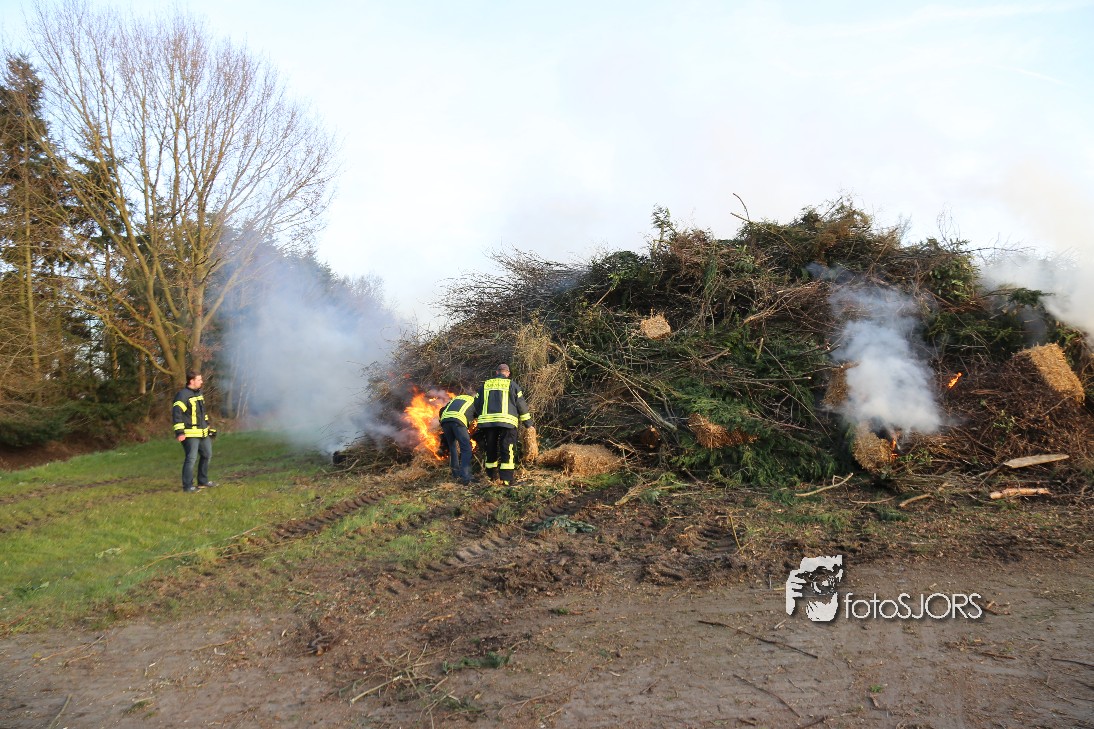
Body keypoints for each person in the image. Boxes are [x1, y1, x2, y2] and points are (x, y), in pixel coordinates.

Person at [473, 363, 534, 486]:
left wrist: (481, 416)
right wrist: (528, 424)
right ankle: (506, 479)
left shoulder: (485, 385)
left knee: (490, 449)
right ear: (508, 373)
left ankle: (491, 477)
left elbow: (476, 403)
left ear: (497, 372)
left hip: (488, 423)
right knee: (507, 448)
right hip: (507, 422)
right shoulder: (512, 385)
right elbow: (521, 405)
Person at [172, 371, 216, 493]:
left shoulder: (199, 393)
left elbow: (202, 413)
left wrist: (207, 426)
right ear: (192, 381)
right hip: (190, 434)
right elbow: (177, 414)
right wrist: (180, 432)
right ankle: (188, 486)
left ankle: (203, 481)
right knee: (191, 459)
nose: (202, 382)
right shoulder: (182, 395)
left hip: (202, 433)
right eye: (199, 380)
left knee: (207, 454)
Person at [438, 393, 479, 485]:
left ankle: (456, 475)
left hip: (445, 421)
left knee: (452, 447)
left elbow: (442, 410)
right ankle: (466, 477)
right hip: (458, 422)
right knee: (466, 448)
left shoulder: (456, 399)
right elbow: (478, 415)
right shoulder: (474, 401)